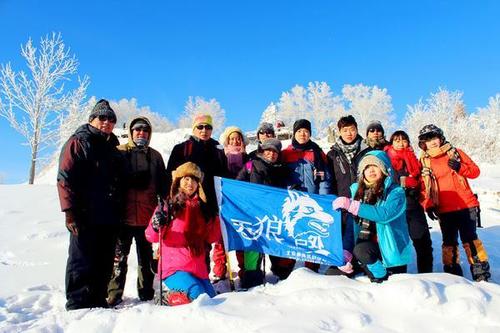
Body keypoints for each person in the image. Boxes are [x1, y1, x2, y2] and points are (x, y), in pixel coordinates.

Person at [57, 99, 126, 310]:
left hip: (109, 215)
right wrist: (69, 211)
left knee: (104, 260)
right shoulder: (78, 141)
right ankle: (77, 303)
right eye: (102, 118)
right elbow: (65, 178)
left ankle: (98, 300)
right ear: (92, 120)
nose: (106, 122)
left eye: (111, 119)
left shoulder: (114, 148)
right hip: (84, 213)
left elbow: (119, 181)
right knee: (81, 259)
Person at [107, 117, 169, 306]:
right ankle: (114, 294)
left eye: (145, 130)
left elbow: (164, 187)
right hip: (122, 218)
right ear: (131, 132)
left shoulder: (155, 156)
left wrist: (163, 209)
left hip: (147, 218)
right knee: (118, 259)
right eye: (137, 130)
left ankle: (147, 293)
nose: (141, 133)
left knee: (146, 260)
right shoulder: (119, 153)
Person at [418, 124, 491, 281]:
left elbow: (475, 171)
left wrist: (460, 167)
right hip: (444, 209)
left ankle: (481, 274)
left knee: (470, 239)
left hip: (466, 205)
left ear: (441, 137)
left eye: (434, 138)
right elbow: (424, 187)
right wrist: (428, 204)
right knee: (449, 243)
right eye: (428, 140)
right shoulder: (424, 161)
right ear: (424, 143)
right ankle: (453, 275)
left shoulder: (455, 153)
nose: (432, 142)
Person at [145, 162, 221, 305]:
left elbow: (212, 238)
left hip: (198, 268)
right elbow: (151, 236)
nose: (190, 183)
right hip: (174, 268)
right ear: (178, 181)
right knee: (197, 296)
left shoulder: (203, 210)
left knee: (211, 300)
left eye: (194, 179)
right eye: (186, 179)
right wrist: (156, 224)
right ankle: (167, 299)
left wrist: (215, 218)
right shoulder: (169, 206)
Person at [332, 151, 412, 283]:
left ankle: (381, 277)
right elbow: (352, 228)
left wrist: (354, 206)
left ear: (385, 169)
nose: (371, 170)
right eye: (367, 167)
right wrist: (346, 252)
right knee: (333, 273)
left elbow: (384, 214)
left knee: (361, 250)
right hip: (363, 253)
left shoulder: (396, 192)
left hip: (388, 256)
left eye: (376, 166)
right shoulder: (357, 192)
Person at [165, 114, 228, 280]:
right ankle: (187, 277)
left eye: (208, 127)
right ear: (193, 128)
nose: (204, 130)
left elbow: (225, 177)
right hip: (187, 204)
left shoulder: (218, 151)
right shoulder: (182, 148)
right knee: (188, 241)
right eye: (200, 127)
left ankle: (203, 277)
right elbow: (171, 176)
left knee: (205, 242)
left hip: (210, 203)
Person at [279, 119, 331, 277]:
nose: (303, 134)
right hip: (292, 201)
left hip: (312, 199)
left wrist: (323, 199)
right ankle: (285, 268)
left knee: (310, 233)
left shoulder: (317, 152)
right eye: (299, 131)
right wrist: (288, 188)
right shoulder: (285, 153)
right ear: (294, 133)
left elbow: (325, 177)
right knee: (290, 234)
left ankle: (311, 266)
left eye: (306, 132)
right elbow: (279, 176)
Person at [236, 138, 289, 288]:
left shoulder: (281, 169)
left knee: (275, 243)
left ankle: (281, 272)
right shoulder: (250, 165)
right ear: (262, 151)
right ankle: (251, 277)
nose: (271, 154)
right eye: (268, 151)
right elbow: (238, 183)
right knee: (253, 245)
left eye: (275, 152)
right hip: (253, 215)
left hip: (274, 215)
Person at [326, 115, 370, 276]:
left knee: (365, 233)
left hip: (365, 201)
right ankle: (343, 264)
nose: (349, 133)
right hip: (342, 202)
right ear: (340, 132)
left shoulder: (367, 150)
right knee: (344, 234)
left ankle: (365, 263)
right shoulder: (332, 155)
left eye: (352, 129)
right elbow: (329, 180)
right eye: (345, 130)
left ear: (357, 130)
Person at [384, 130, 433, 273]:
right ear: (391, 142)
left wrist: (416, 186)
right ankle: (399, 275)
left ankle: (426, 273)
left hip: (412, 203)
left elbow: (421, 180)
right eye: (397, 140)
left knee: (422, 240)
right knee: (398, 241)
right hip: (394, 206)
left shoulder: (413, 158)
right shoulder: (385, 159)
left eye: (404, 140)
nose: (400, 143)